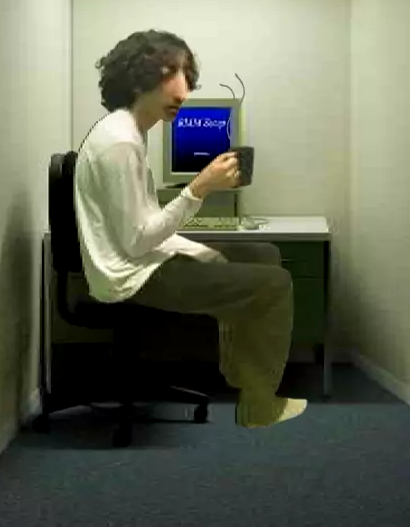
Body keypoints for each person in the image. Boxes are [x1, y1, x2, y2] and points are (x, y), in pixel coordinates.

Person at [74, 29, 307, 428]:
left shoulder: (128, 132)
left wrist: (201, 251)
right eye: (171, 74)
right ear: (138, 78)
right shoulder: (119, 143)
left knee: (261, 253)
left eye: (186, 75)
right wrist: (198, 189)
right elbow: (137, 240)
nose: (183, 90)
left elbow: (143, 225)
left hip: (140, 260)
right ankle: (259, 404)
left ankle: (241, 377)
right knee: (274, 283)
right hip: (130, 277)